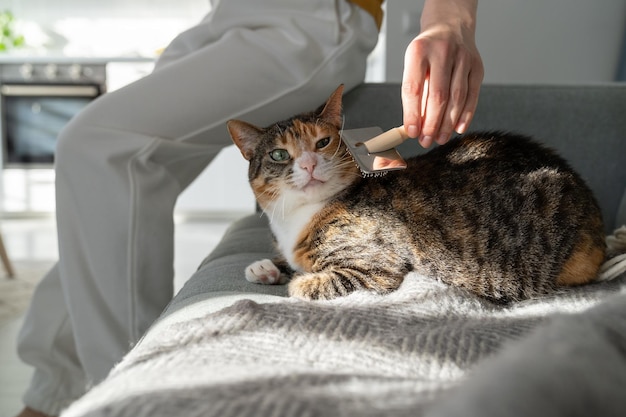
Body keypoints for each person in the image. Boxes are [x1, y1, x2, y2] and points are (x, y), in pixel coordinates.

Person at [15, 0, 483, 416]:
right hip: (225, 14)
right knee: (97, 183)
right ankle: (51, 392)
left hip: (310, 15)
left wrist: (447, 18)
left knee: (95, 144)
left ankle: (134, 399)